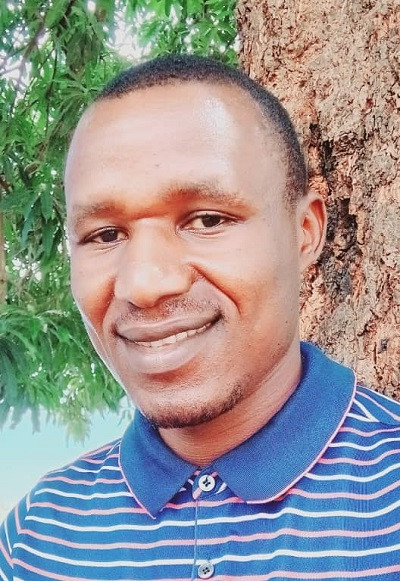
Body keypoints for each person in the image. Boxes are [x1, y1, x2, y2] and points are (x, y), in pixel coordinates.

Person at [1, 54, 400, 581]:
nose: (145, 284)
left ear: (304, 233)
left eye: (208, 220)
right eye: (105, 235)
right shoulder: (38, 537)